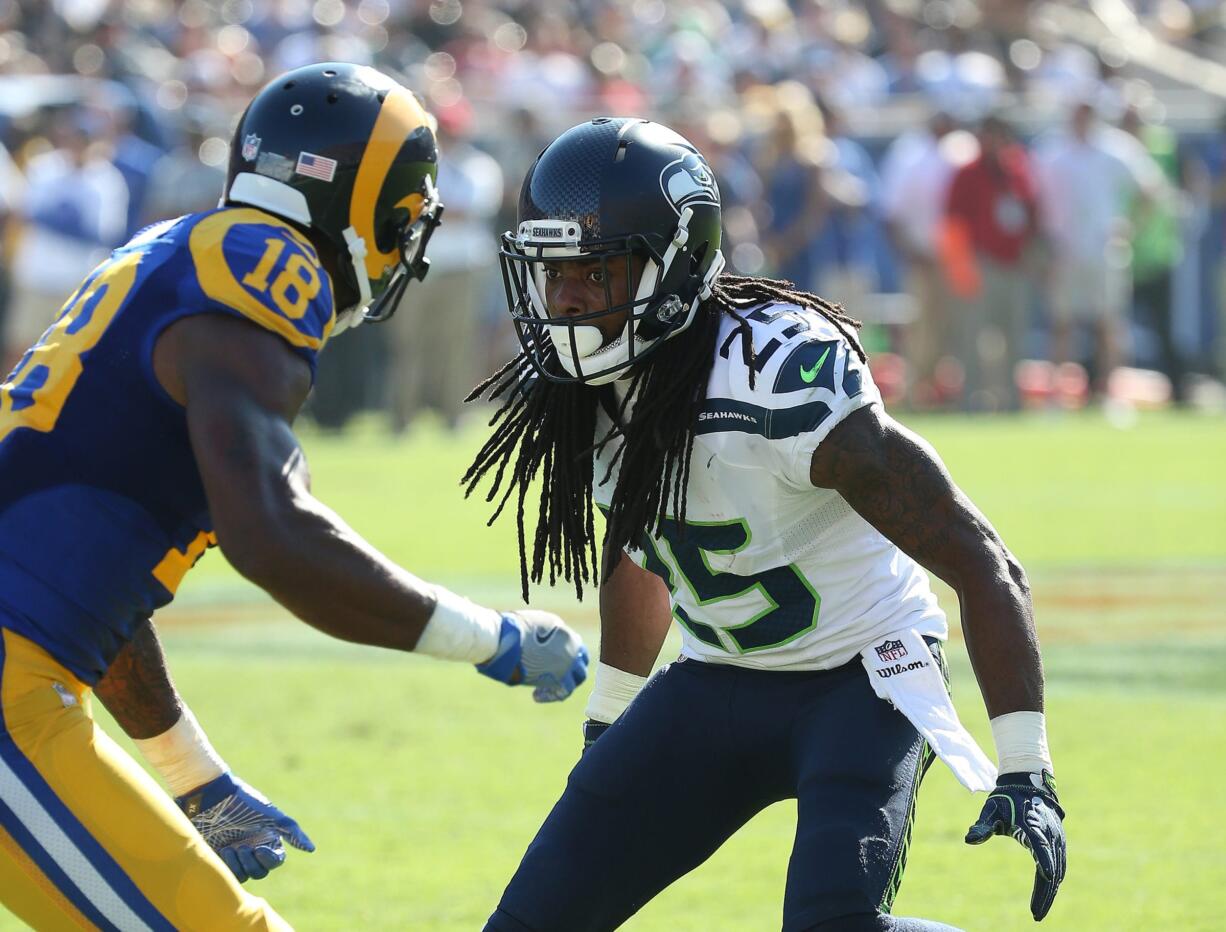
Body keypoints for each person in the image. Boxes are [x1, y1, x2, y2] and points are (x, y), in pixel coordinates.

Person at [0, 63, 588, 931]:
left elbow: (93, 580)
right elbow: (273, 535)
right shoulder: (262, 265)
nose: (405, 245)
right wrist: (489, 636)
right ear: (356, 202)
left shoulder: (182, 250)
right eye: (401, 216)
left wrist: (190, 770)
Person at [465, 118, 1066, 932]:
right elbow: (638, 544)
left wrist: (1026, 767)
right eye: (553, 273)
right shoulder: (584, 389)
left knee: (831, 927)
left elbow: (979, 559)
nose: (565, 299)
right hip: (717, 678)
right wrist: (609, 717)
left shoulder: (779, 381)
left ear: (671, 268)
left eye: (594, 272)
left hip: (864, 677)